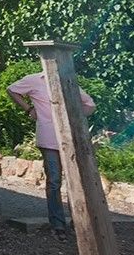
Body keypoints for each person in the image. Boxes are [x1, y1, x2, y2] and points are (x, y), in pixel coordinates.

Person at [7, 71, 95, 241]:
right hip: (49, 139)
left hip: (69, 139)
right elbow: (12, 89)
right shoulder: (34, 80)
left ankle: (79, 222)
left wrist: (74, 116)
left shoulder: (67, 81)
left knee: (74, 181)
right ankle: (58, 224)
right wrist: (29, 109)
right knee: (54, 181)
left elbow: (90, 104)